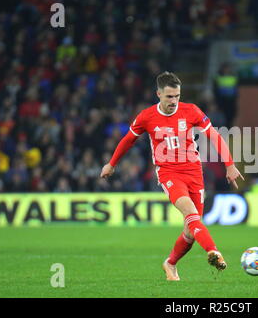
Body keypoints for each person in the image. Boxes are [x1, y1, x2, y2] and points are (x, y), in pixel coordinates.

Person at [100, 71, 244, 281]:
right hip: (169, 173)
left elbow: (214, 135)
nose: (174, 101)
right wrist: (111, 164)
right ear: (158, 93)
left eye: (177, 96)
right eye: (169, 96)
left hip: (194, 172)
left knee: (191, 230)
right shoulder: (146, 116)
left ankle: (170, 263)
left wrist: (230, 165)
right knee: (191, 214)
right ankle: (213, 251)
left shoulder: (191, 111)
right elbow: (127, 140)